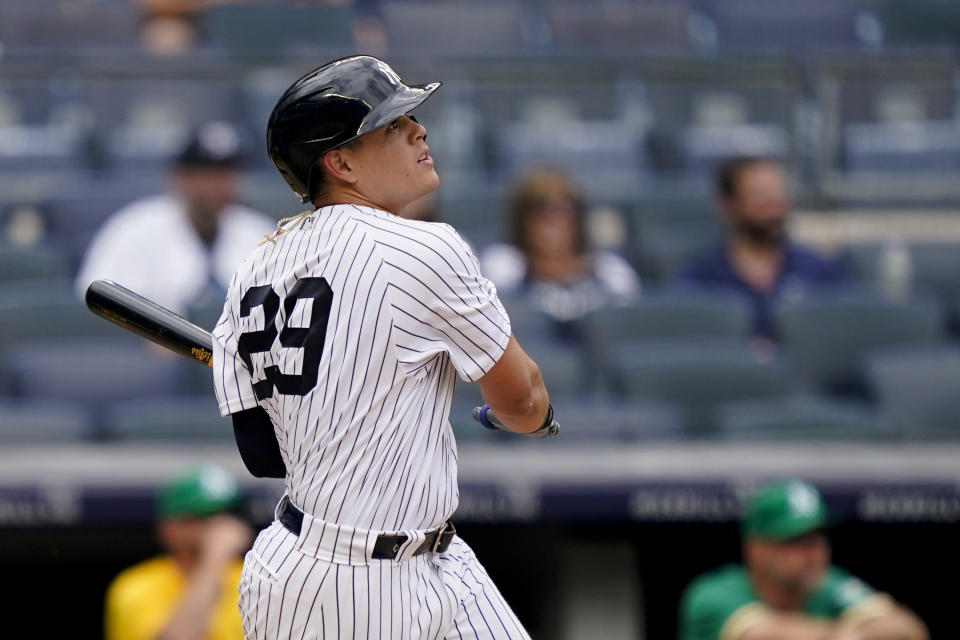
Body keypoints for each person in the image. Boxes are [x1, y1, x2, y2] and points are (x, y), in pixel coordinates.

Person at [211, 55, 559, 639]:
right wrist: (531, 419)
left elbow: (263, 452)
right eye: (393, 125)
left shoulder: (253, 266)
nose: (418, 130)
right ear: (340, 161)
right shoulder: (423, 247)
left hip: (421, 558)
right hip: (345, 584)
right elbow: (524, 401)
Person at [677, 479, 928, 640]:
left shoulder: (830, 585)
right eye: (798, 541)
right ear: (757, 550)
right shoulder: (712, 593)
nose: (815, 553)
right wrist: (843, 634)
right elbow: (764, 636)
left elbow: (908, 630)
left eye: (820, 539)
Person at [75, 120, 275, 315]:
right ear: (177, 177)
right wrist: (150, 327)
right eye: (206, 174)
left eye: (227, 173)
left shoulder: (261, 232)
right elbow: (94, 296)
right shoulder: (134, 227)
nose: (218, 184)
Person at [677, 156, 847, 343]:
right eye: (760, 194)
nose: (773, 206)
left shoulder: (818, 270)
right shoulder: (702, 280)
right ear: (728, 205)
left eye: (777, 193)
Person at [479, 167, 640, 335]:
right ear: (523, 220)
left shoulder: (610, 272)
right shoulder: (505, 269)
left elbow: (627, 328)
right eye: (542, 208)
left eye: (569, 209)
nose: (557, 220)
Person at [104, 466, 254, 640]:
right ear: (169, 529)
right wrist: (214, 559)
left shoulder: (252, 580)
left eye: (228, 514)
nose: (221, 526)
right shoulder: (136, 586)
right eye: (205, 516)